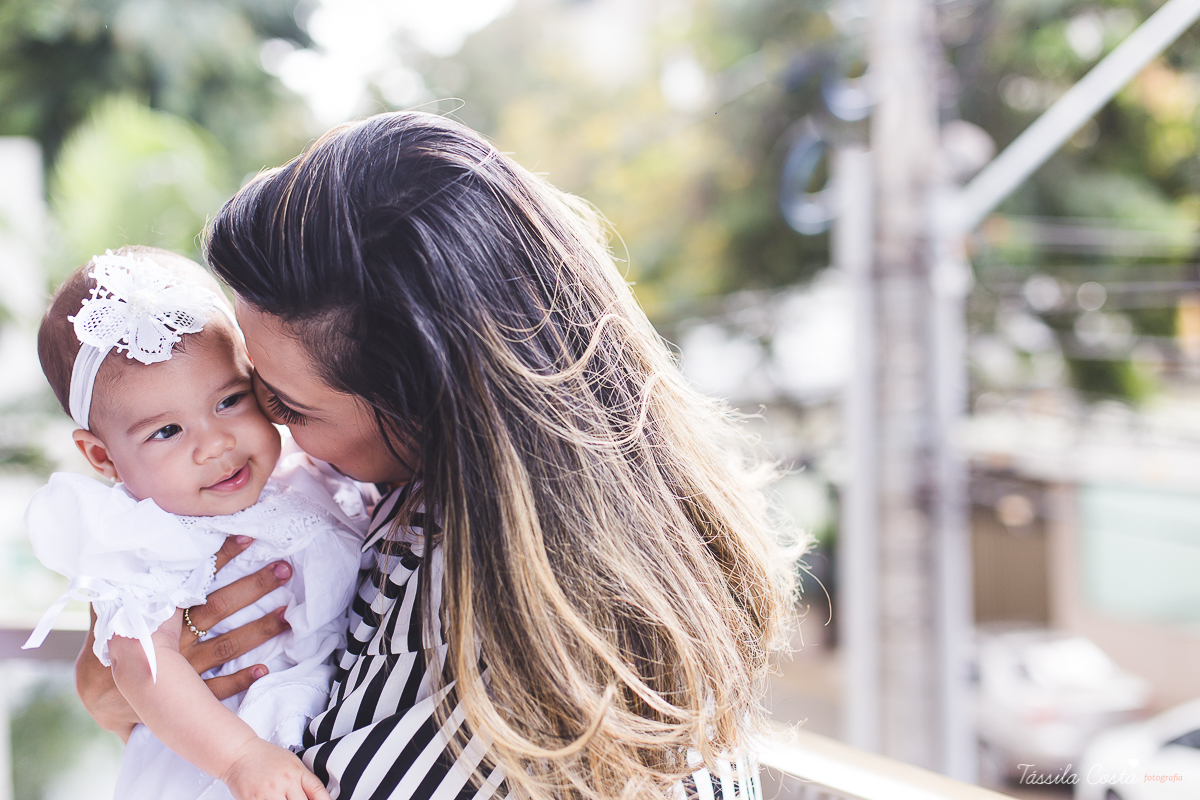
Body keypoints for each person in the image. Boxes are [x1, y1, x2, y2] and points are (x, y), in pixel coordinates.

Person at [79, 112, 796, 800]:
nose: (264, 434)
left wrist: (147, 716)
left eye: (285, 406)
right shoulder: (446, 512)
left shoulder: (490, 661)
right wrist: (145, 695)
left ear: (428, 408)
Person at [29, 246, 369, 800]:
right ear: (103, 459)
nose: (216, 445)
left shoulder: (308, 475)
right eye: (166, 432)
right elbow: (142, 667)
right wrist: (240, 758)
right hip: (218, 756)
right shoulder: (149, 542)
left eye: (230, 400)